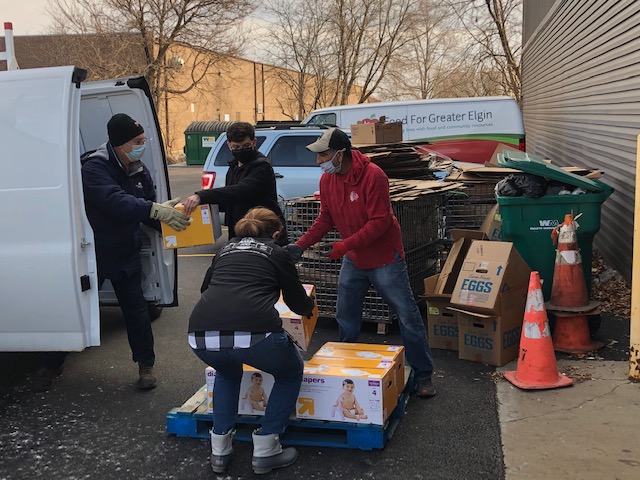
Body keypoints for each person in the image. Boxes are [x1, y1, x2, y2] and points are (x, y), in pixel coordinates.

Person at [31, 113, 189, 393]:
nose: (143, 145)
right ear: (120, 144)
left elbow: (146, 208)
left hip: (125, 252)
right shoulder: (94, 167)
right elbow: (113, 200)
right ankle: (51, 365)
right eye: (138, 141)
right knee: (74, 310)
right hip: (93, 254)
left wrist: (170, 217)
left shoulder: (138, 169)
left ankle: (145, 365)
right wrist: (152, 209)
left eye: (143, 139)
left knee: (136, 311)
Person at [283, 128, 437, 398]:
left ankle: (423, 374)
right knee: (346, 315)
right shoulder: (328, 181)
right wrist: (300, 245)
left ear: (341, 154)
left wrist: (344, 246)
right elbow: (325, 219)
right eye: (318, 156)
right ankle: (347, 367)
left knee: (407, 315)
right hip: (355, 258)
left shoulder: (374, 176)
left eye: (324, 155)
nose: (319, 161)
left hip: (384, 258)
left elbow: (380, 222)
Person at [188, 207, 314, 475]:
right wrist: (310, 306)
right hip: (257, 335)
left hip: (201, 335)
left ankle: (219, 450)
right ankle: (267, 448)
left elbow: (205, 290)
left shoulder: (224, 250)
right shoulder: (278, 253)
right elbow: (297, 302)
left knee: (227, 372)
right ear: (276, 234)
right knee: (290, 372)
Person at [182, 122, 289, 246]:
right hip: (241, 233)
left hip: (265, 233)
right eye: (236, 147)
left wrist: (201, 196)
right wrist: (197, 206)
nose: (241, 150)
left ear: (254, 142)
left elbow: (240, 191)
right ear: (229, 145)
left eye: (246, 146)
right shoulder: (234, 167)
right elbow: (230, 200)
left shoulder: (261, 166)